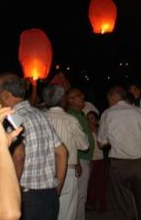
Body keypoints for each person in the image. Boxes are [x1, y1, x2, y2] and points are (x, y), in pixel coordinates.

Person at [0, 73, 68, 220]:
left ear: (6, 96)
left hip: (28, 199)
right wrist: (57, 186)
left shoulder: (12, 119)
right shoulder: (40, 115)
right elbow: (62, 152)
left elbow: (19, 155)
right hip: (49, 196)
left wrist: (11, 192)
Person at [98, 86, 141, 220]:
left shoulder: (108, 114)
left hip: (119, 165)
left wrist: (115, 140)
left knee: (123, 205)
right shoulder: (139, 111)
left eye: (108, 99)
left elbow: (101, 143)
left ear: (113, 97)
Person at [43, 85, 88, 220]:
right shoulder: (70, 120)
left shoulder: (40, 117)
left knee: (48, 211)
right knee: (67, 212)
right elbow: (84, 145)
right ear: (63, 100)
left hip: (45, 170)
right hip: (67, 170)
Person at [65, 88, 94, 220]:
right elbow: (71, 140)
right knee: (79, 196)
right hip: (79, 160)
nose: (82, 96)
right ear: (70, 100)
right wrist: (77, 161)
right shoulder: (71, 116)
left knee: (81, 195)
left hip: (84, 159)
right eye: (78, 96)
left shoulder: (80, 114)